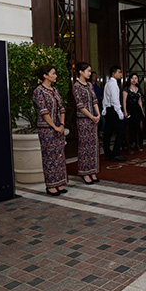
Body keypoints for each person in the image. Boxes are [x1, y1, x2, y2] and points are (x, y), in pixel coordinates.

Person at [32, 64, 68, 196]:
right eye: (53, 73)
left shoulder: (55, 90)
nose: (55, 75)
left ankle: (59, 183)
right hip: (46, 129)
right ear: (45, 75)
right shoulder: (39, 91)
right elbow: (44, 111)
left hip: (59, 127)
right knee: (49, 157)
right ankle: (50, 185)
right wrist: (54, 126)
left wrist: (62, 125)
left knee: (59, 156)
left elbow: (62, 109)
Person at [73, 62, 101, 184]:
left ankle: (93, 170)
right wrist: (92, 117)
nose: (90, 73)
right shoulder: (76, 86)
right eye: (88, 71)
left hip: (93, 119)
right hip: (83, 120)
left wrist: (98, 114)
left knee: (94, 146)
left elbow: (95, 100)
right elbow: (80, 106)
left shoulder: (89, 85)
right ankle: (85, 173)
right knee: (85, 146)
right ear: (81, 71)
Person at [102, 65, 127, 162]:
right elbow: (115, 99)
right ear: (113, 73)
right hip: (113, 110)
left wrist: (104, 108)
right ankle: (115, 153)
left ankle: (108, 154)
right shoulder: (113, 84)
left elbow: (105, 97)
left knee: (108, 132)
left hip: (109, 110)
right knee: (121, 132)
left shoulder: (108, 83)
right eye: (119, 72)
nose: (121, 74)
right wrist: (119, 111)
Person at [122, 72, 146, 152]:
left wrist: (142, 111)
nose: (134, 80)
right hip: (129, 110)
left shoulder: (139, 89)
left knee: (140, 127)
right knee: (129, 129)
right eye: (132, 78)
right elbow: (124, 101)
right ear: (130, 79)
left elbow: (140, 101)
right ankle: (129, 146)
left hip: (137, 109)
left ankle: (138, 143)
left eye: (136, 78)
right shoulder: (126, 89)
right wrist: (125, 111)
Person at [90, 71, 104, 138]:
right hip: (91, 106)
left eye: (96, 76)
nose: (95, 77)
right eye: (93, 76)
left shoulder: (97, 87)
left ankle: (100, 133)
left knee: (102, 120)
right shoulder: (89, 86)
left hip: (98, 105)